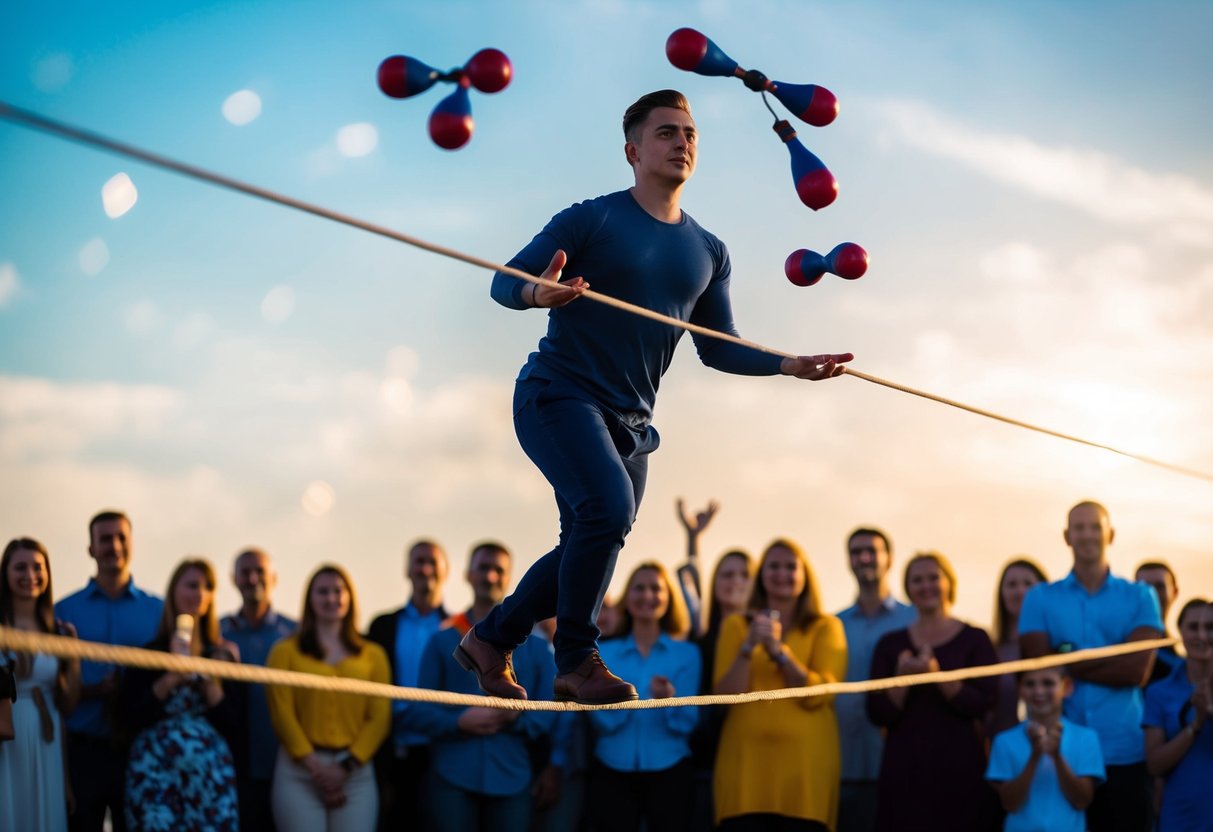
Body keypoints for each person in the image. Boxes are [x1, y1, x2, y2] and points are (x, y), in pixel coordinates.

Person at [454, 89, 853, 707]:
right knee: (607, 512)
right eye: (666, 133)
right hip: (558, 395)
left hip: (632, 425)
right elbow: (505, 283)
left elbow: (719, 348)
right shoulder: (592, 218)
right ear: (633, 151)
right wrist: (540, 296)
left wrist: (788, 365)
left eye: (690, 133)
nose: (682, 142)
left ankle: (491, 639)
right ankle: (577, 661)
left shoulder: (709, 251)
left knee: (589, 539)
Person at [1019, 500, 1163, 832]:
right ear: (1066, 536)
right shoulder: (1040, 598)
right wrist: (1114, 654)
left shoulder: (1141, 597)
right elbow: (1040, 668)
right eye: (1079, 527)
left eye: (1095, 526)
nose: (1087, 535)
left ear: (1110, 534)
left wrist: (1066, 659)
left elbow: (1136, 671)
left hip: (1125, 752)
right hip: (1060, 752)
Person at [406, 542, 555, 832]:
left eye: (498, 570)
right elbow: (418, 709)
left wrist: (519, 718)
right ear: (467, 575)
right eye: (483, 568)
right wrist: (459, 722)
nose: (490, 577)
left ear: (509, 578)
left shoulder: (536, 649)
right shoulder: (442, 641)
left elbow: (552, 711)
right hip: (451, 776)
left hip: (513, 775)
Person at [713, 538, 847, 832]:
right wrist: (748, 648)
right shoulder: (736, 626)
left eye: (790, 567)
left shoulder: (827, 627)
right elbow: (725, 696)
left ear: (805, 575)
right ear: (761, 575)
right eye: (773, 566)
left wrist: (780, 653)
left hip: (805, 772)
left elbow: (820, 695)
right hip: (745, 771)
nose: (782, 574)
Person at [867, 551, 1000, 832]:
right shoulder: (890, 644)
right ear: (908, 588)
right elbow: (878, 713)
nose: (926, 586)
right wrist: (903, 679)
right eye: (917, 580)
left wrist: (937, 676)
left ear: (949, 583)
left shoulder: (975, 639)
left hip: (961, 771)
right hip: (905, 772)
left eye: (933, 578)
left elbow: (984, 702)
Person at [56, 510, 163, 832]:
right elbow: (52, 682)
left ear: (132, 544)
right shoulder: (63, 611)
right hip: (82, 752)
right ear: (90, 548)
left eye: (121, 538)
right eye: (105, 539)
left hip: (141, 753)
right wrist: (90, 690)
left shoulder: (159, 612)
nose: (113, 546)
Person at [266, 564, 391, 832]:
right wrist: (317, 769)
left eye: (338, 590)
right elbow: (281, 712)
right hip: (298, 772)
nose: (331, 598)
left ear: (350, 596)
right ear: (310, 599)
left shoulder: (374, 655)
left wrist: (344, 768)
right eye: (322, 591)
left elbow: (379, 717)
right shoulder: (284, 651)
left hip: (355, 774)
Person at [120, 558, 240, 832]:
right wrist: (171, 677)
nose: (199, 593)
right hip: (156, 771)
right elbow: (129, 715)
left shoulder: (220, 655)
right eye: (191, 585)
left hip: (209, 775)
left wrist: (209, 680)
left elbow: (235, 724)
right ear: (174, 590)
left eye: (207, 586)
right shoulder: (149, 653)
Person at [588, 560, 700, 832]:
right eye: (639, 588)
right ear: (627, 598)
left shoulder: (688, 654)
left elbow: (687, 722)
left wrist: (669, 702)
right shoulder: (602, 653)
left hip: (671, 769)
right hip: (610, 768)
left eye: (656, 589)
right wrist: (624, 704)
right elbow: (598, 719)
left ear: (669, 599)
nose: (647, 596)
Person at [834, 526, 915, 832]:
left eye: (872, 551)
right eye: (856, 552)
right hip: (843, 762)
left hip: (897, 763)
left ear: (889, 559)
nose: (864, 558)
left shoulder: (913, 621)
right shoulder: (833, 624)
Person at [367, 539, 449, 832]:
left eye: (432, 562)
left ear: (445, 571)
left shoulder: (462, 630)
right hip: (392, 748)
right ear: (407, 569)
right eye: (418, 561)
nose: (425, 568)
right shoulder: (382, 626)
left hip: (443, 748)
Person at [0, 537, 80, 832]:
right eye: (20, 567)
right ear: (5, 573)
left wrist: (74, 659)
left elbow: (67, 704)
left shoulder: (59, 631)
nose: (30, 576)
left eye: (37, 567)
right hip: (7, 735)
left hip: (48, 736)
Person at [220, 547, 297, 832]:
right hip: (233, 763)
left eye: (260, 572)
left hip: (287, 762)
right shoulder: (219, 633)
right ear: (234, 579)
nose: (253, 579)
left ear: (274, 578)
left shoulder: (296, 634)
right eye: (245, 572)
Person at [985, 666, 1105, 832]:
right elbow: (1010, 804)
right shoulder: (1004, 741)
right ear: (1019, 689)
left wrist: (1057, 757)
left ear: (1067, 687)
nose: (1039, 691)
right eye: (1030, 684)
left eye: (1048, 683)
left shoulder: (1086, 738)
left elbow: (1082, 800)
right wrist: (1034, 757)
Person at [689, 548, 753, 832]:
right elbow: (690, 589)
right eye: (727, 575)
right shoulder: (699, 640)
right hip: (706, 764)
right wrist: (694, 541)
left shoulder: (773, 636)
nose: (736, 582)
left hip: (755, 760)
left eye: (744, 575)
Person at [1143, 598, 1213, 831]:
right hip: (1183, 815)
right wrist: (1196, 724)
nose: (1202, 636)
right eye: (1193, 627)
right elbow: (1155, 765)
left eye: (1210, 628)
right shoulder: (1159, 691)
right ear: (1180, 631)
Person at [989, 558, 1047, 735]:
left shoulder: (1056, 646)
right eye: (1012, 585)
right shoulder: (991, 649)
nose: (1020, 591)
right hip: (1001, 749)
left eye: (1028, 584)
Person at [1135, 561, 1181, 684]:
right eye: (1144, 587)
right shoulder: (1119, 649)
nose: (1152, 594)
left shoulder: (1185, 663)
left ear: (1175, 592)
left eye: (1159, 586)